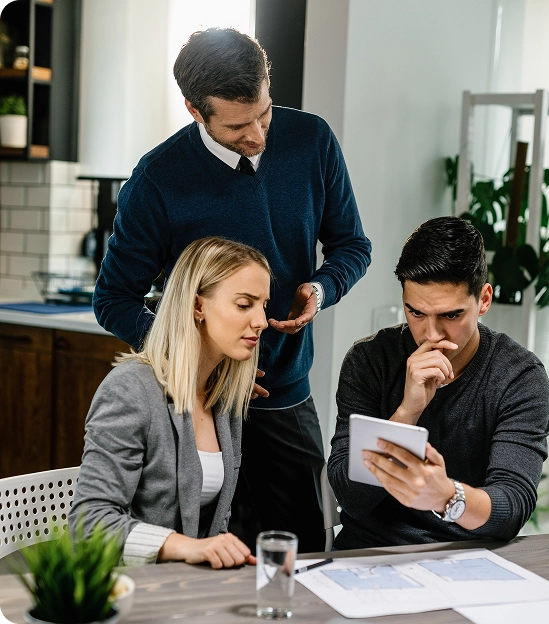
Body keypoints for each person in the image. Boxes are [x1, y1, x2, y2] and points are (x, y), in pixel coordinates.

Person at [92, 28, 371, 552]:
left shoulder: (312, 139)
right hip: (201, 408)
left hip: (286, 396)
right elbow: (112, 301)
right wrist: (198, 358)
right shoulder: (157, 180)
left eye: (264, 113)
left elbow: (352, 246)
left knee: (306, 554)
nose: (260, 134)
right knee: (210, 554)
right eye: (239, 125)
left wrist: (321, 287)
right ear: (196, 111)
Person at [327, 216, 549, 549]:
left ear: (484, 300)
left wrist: (448, 496)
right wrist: (407, 413)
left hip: (470, 557)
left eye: (451, 315)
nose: (431, 335)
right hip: (370, 551)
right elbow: (351, 496)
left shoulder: (519, 376)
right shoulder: (370, 360)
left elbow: (512, 508)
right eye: (416, 313)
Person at [70, 236, 270, 567]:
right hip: (128, 589)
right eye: (245, 304)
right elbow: (89, 525)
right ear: (197, 306)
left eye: (264, 305)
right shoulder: (130, 391)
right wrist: (187, 547)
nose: (261, 320)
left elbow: (214, 527)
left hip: (187, 591)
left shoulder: (223, 396)